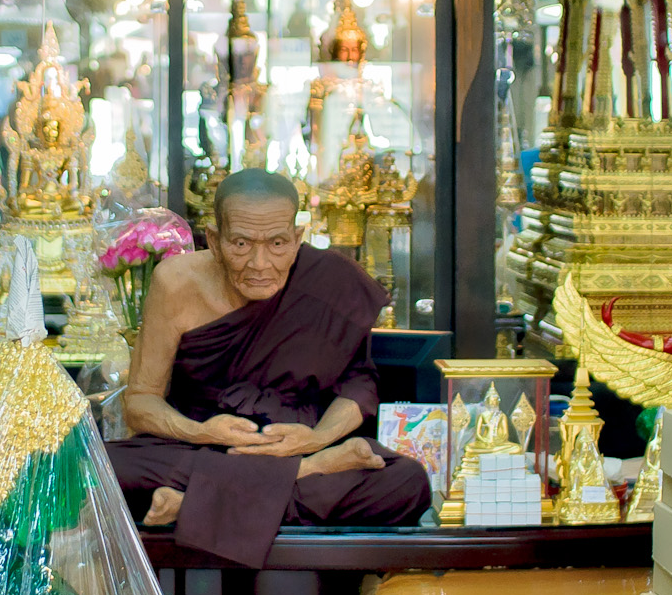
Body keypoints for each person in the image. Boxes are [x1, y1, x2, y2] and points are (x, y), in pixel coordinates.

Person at [107, 168, 430, 567]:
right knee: (100, 472)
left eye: (277, 243)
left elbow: (359, 384)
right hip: (201, 447)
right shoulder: (176, 282)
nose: (260, 263)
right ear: (215, 240)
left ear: (297, 239)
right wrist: (202, 431)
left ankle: (196, 506)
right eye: (241, 243)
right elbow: (140, 401)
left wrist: (314, 440)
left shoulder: (332, 281)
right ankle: (305, 475)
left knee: (406, 483)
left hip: (293, 441)